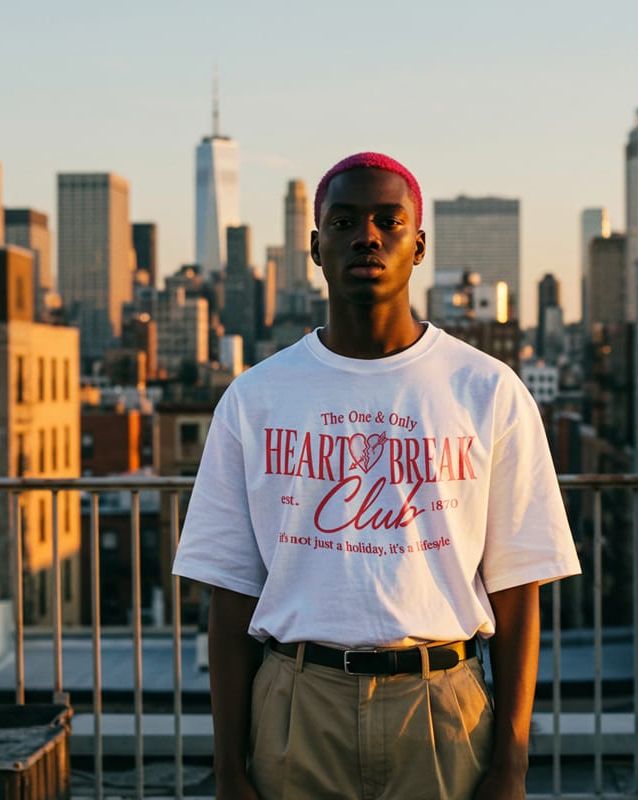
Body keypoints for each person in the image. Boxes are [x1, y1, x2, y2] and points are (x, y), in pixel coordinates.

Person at [172, 152, 581, 800]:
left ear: (418, 245)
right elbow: (229, 594)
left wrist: (512, 763)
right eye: (344, 222)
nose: (367, 236)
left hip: (442, 704)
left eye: (389, 222)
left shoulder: (488, 390)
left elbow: (517, 590)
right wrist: (228, 770)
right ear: (316, 247)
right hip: (296, 701)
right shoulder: (255, 398)